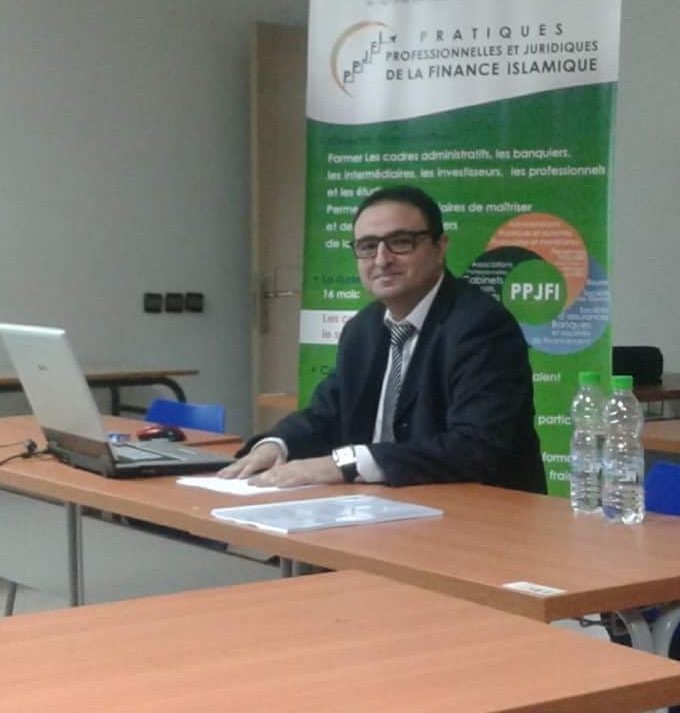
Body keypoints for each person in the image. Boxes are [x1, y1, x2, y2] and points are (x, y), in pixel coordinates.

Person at [220, 185, 546, 493]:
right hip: (383, 506)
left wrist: (345, 465)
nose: (381, 259)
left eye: (401, 242)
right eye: (367, 246)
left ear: (440, 247)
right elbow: (327, 414)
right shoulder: (363, 329)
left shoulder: (480, 325)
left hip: (476, 514)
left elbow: (476, 447)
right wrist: (276, 445)